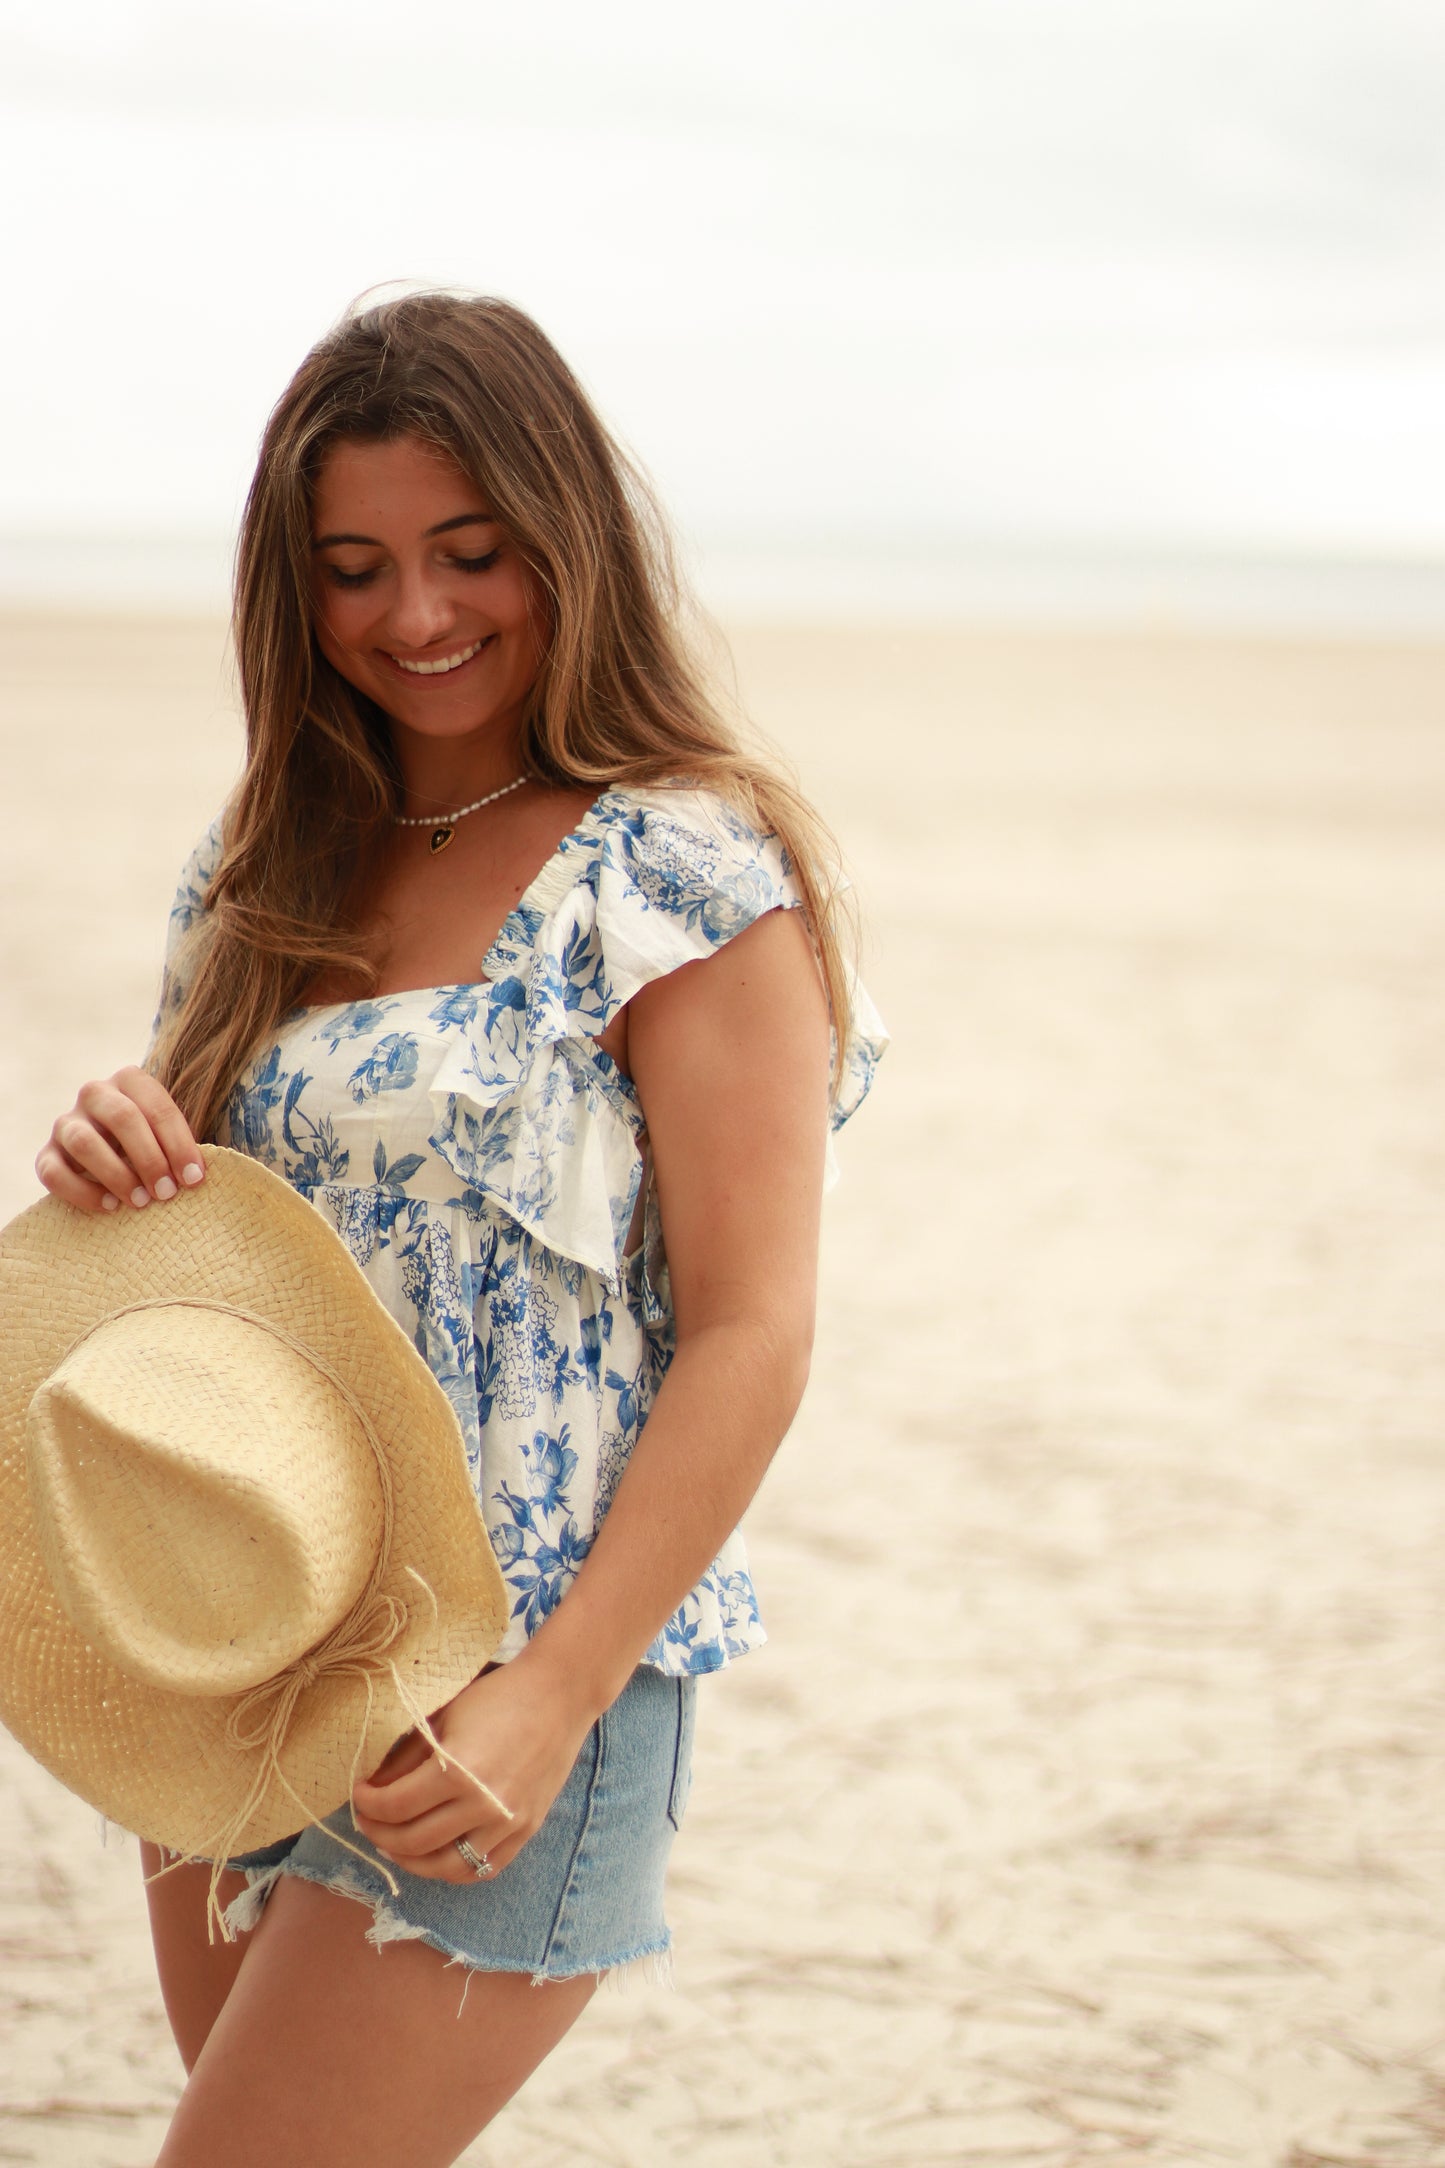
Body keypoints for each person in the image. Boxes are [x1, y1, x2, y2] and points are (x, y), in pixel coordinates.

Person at [32, 289, 885, 2168]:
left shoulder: (678, 873)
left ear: (559, 534)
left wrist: (554, 1697)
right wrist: (119, 1143)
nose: (415, 615)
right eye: (353, 568)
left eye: (466, 553)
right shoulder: (269, 862)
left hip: (502, 1705)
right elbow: (218, 1238)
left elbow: (756, 1330)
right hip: (240, 1631)